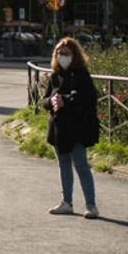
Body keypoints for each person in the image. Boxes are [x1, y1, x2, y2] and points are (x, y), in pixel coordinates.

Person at [40, 36, 100, 218]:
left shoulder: (82, 74)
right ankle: (66, 202)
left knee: (81, 165)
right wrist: (51, 101)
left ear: (75, 55)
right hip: (59, 128)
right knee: (63, 165)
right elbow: (43, 100)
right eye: (59, 53)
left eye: (66, 53)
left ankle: (91, 205)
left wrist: (65, 100)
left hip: (77, 127)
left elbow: (88, 97)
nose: (62, 57)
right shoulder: (55, 75)